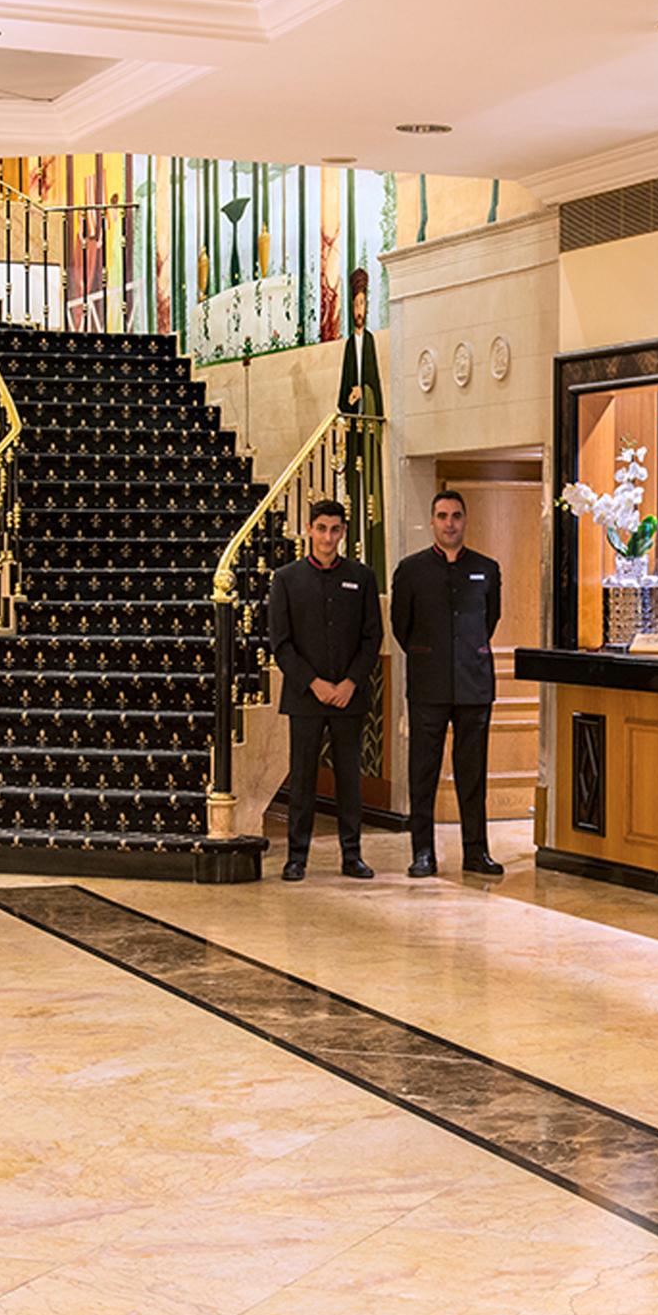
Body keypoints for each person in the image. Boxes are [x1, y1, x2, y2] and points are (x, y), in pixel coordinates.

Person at [390, 489, 504, 878]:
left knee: (473, 774)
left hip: (474, 686)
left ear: (465, 520)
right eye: (442, 516)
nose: (450, 523)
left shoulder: (486, 568)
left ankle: (476, 852)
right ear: (432, 520)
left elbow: (489, 621)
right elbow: (400, 627)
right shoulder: (411, 569)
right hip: (428, 685)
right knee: (423, 772)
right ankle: (423, 853)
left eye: (456, 516)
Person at [269, 498, 383, 882]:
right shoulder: (286, 578)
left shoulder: (362, 578)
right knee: (302, 778)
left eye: (335, 530)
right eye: (321, 529)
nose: (327, 537)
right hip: (305, 697)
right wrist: (314, 683)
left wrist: (350, 682)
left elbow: (372, 637)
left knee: (350, 779)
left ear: (343, 532)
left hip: (349, 697)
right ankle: (296, 857)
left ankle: (352, 856)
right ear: (309, 529)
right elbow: (280, 643)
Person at [336, 267, 387, 591]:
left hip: (367, 424)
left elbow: (375, 385)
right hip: (354, 428)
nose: (359, 311)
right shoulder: (347, 345)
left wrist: (364, 396)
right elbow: (343, 390)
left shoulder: (368, 342)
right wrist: (349, 398)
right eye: (355, 306)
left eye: (362, 305)